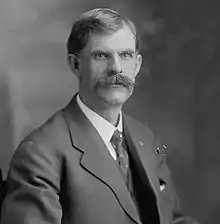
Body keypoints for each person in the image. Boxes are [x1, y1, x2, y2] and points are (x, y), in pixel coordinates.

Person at [1, 8, 199, 224]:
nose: (116, 68)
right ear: (76, 65)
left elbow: (172, 220)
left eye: (125, 55)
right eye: (101, 56)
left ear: (137, 65)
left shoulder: (146, 138)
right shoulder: (40, 155)